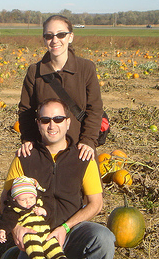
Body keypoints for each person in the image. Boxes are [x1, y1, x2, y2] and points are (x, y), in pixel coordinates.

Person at [0, 98, 115, 259]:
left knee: (104, 238)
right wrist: (16, 229)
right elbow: (6, 200)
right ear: (38, 123)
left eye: (58, 119)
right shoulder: (24, 157)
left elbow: (96, 204)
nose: (52, 125)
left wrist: (65, 227)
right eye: (45, 120)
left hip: (71, 231)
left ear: (68, 122)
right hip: (38, 238)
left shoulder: (84, 158)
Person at [17, 14, 104, 162]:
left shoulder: (86, 68)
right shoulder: (34, 71)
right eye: (49, 36)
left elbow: (95, 109)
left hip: (80, 149)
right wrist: (29, 139)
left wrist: (88, 141)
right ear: (44, 39)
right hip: (45, 151)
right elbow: (26, 110)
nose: (55, 40)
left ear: (70, 37)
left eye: (61, 34)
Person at [0, 176, 70, 259]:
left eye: (31, 197)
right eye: (23, 200)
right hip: (30, 232)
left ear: (35, 196)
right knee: (32, 244)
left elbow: (52, 211)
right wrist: (3, 230)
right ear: (15, 199)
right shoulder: (15, 210)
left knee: (52, 243)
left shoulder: (40, 203)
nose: (28, 201)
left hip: (45, 232)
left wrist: (44, 211)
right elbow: (8, 221)